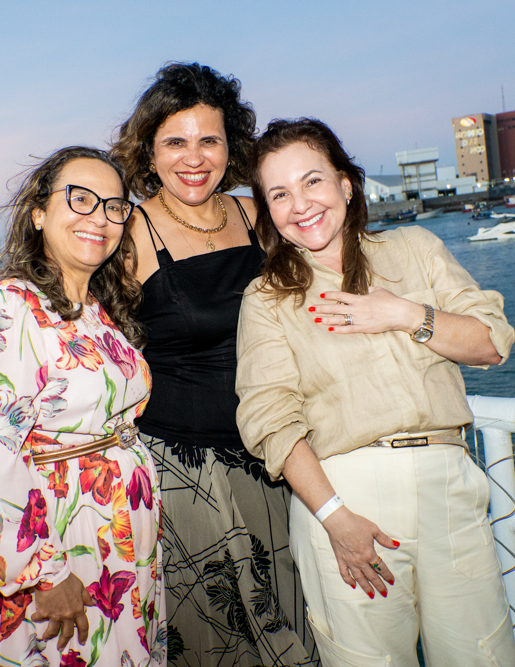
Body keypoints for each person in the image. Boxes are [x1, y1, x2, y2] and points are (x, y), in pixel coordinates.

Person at [236, 118, 515, 666]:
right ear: (268, 211)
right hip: (345, 496)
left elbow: (490, 342)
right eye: (280, 194)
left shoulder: (416, 249)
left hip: (448, 486)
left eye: (312, 181)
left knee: (483, 655)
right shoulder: (268, 298)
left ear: (345, 184)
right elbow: (271, 421)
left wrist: (405, 314)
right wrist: (336, 517)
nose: (300, 204)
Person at [112, 64, 316, 666]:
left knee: (303, 621)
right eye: (175, 141)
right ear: (149, 151)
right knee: (216, 643)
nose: (194, 158)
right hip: (184, 476)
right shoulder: (129, 233)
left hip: (278, 455)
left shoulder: (258, 215)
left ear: (232, 146)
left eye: (210, 140)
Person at [0, 147, 165, 667]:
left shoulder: (96, 309)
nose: (100, 217)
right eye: (81, 199)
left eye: (114, 206)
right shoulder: (9, 308)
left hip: (120, 532)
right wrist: (43, 574)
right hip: (66, 538)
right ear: (38, 213)